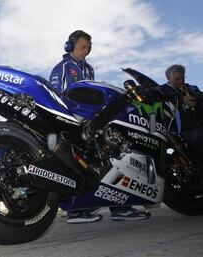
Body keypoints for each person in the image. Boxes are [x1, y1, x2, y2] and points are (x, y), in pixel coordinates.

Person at [49, 30, 150, 223]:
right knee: (82, 161)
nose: (86, 51)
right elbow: (55, 97)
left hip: (94, 120)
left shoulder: (89, 68)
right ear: (70, 46)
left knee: (110, 153)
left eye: (89, 48)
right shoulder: (61, 68)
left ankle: (115, 206)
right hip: (75, 121)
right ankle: (79, 210)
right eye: (82, 47)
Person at [160, 64, 203, 157]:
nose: (181, 81)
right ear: (168, 77)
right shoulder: (161, 90)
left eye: (183, 77)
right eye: (177, 79)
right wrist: (181, 101)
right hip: (181, 134)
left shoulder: (193, 88)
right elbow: (160, 103)